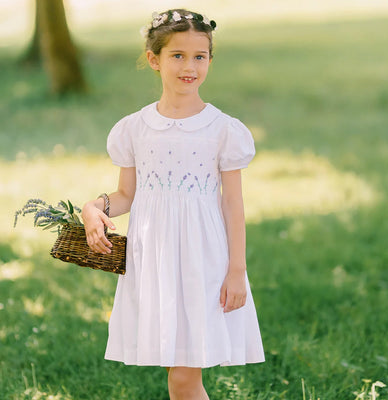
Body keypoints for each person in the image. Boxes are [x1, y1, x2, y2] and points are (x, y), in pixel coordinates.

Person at [82, 9, 265, 400]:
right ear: (154, 59)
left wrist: (237, 270)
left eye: (200, 56)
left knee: (184, 379)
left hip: (204, 263)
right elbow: (126, 195)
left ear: (211, 61)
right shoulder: (134, 128)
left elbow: (233, 204)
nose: (190, 66)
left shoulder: (222, 130)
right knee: (176, 372)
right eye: (177, 55)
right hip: (155, 262)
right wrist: (93, 207)